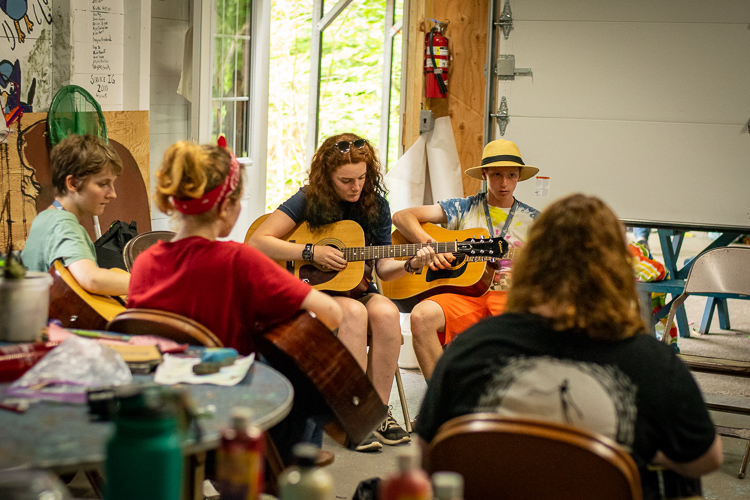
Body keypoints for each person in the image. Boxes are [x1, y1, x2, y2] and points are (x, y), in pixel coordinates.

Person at [414, 194, 723, 500]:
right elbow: (706, 459)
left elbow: (428, 456)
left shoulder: (471, 348)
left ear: (529, 262)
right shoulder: (651, 362)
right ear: (615, 270)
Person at [127, 139, 342, 463]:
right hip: (229, 416)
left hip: (163, 414)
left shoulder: (144, 262)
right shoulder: (238, 261)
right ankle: (293, 470)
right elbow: (331, 313)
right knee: (304, 372)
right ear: (225, 207)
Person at [247, 133, 434, 450]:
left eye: (362, 178)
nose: (356, 186)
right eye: (346, 180)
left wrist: (412, 265)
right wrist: (310, 253)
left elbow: (385, 268)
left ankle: (377, 414)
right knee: (355, 313)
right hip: (316, 293)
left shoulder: (376, 207)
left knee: (387, 313)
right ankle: (351, 415)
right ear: (327, 176)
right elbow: (258, 241)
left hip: (359, 288)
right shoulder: (307, 199)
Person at [391, 139, 539, 381]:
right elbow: (401, 217)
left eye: (511, 175)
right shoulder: (463, 208)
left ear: (519, 177)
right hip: (466, 295)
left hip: (510, 298)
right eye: (496, 175)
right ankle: (441, 400)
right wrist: (433, 246)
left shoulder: (535, 220)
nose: (504, 183)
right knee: (421, 316)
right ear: (484, 174)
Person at [21, 134, 129, 296]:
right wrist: (151, 283)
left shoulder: (45, 217)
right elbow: (91, 279)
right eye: (102, 184)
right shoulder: (63, 224)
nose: (112, 194)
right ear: (72, 183)